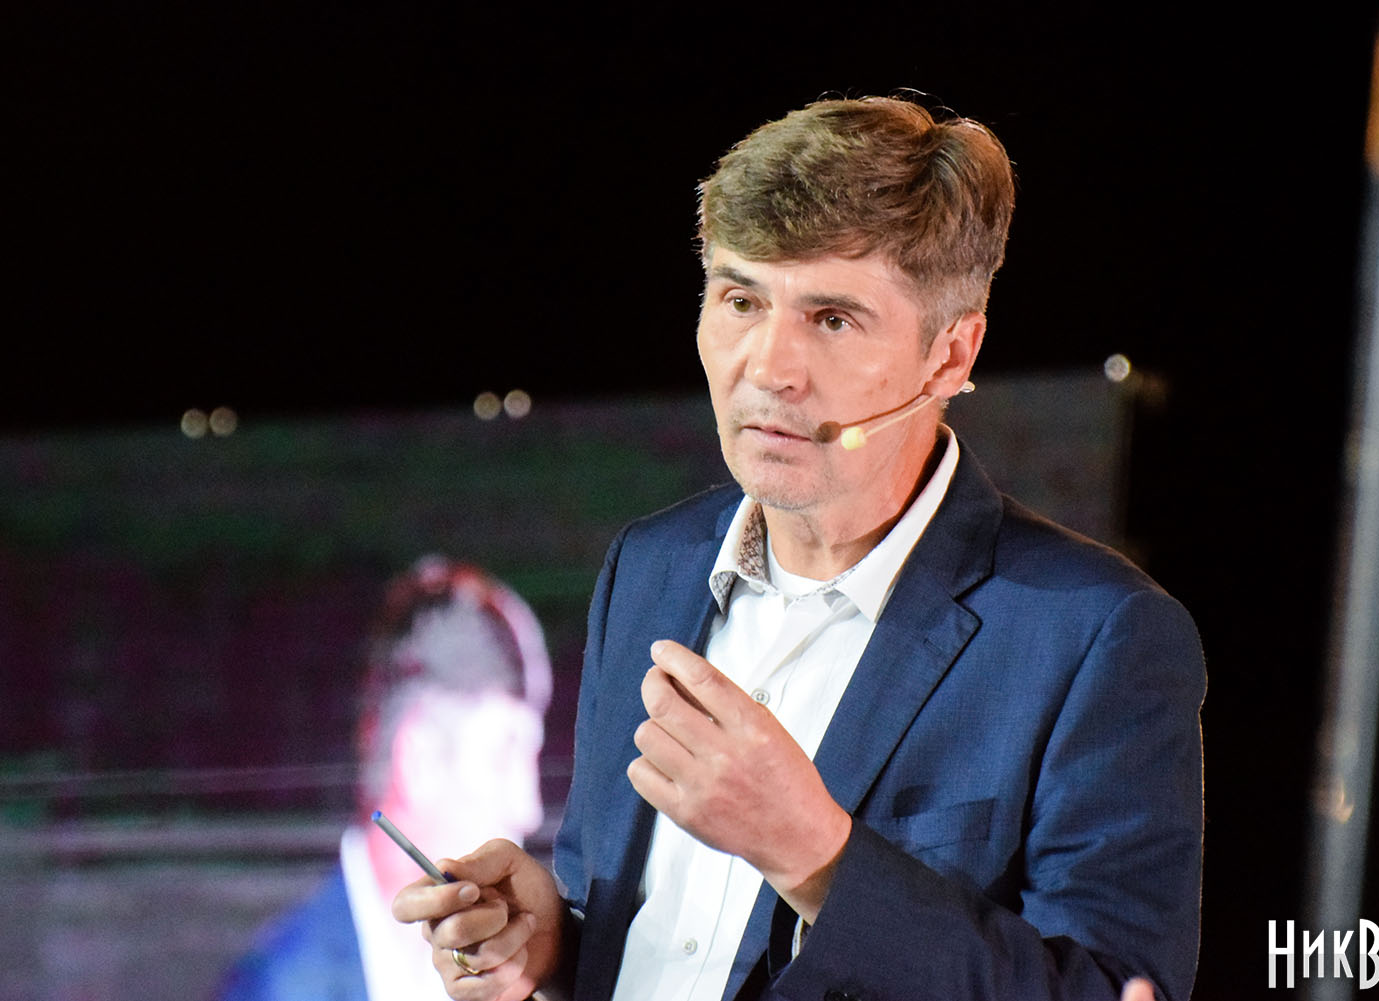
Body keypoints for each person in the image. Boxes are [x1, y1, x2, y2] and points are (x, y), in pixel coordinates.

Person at [394, 96, 1205, 1001]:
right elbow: (654, 933)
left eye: (832, 319)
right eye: (741, 300)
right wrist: (554, 944)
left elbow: (1105, 988)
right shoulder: (650, 566)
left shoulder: (1096, 637)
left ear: (950, 356)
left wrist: (816, 856)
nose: (768, 366)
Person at [219, 555, 553, 1001]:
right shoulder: (279, 988)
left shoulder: (512, 971)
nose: (529, 810)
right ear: (419, 760)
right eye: (503, 755)